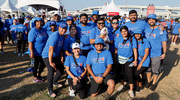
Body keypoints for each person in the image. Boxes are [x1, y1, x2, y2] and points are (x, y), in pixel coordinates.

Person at [42, 22, 67, 97]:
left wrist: (62, 56)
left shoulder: (62, 36)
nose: (64, 30)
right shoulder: (55, 36)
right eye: (62, 28)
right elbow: (50, 50)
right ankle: (50, 90)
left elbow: (61, 48)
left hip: (56, 55)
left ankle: (54, 81)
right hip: (47, 55)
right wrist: (50, 62)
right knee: (51, 70)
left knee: (61, 69)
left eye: (65, 29)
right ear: (59, 27)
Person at [144, 14, 167, 91]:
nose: (151, 21)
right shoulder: (146, 30)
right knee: (148, 69)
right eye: (150, 19)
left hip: (156, 54)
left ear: (156, 21)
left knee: (155, 70)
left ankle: (154, 83)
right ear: (147, 21)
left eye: (153, 19)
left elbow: (164, 42)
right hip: (147, 54)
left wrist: (164, 53)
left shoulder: (161, 30)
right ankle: (148, 81)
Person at [114, 26, 138, 97]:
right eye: (122, 32)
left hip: (129, 59)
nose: (124, 33)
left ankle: (131, 90)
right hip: (119, 59)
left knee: (130, 75)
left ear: (127, 31)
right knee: (121, 73)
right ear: (120, 32)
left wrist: (135, 60)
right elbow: (116, 49)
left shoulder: (132, 39)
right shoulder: (118, 39)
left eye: (125, 31)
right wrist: (115, 58)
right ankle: (122, 84)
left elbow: (135, 50)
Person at [28, 18, 48, 83]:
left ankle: (39, 75)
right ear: (35, 23)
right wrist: (31, 52)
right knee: (35, 65)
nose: (39, 23)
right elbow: (30, 42)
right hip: (35, 52)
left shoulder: (43, 30)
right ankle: (35, 77)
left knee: (43, 64)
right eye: (37, 22)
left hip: (43, 52)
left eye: (41, 22)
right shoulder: (33, 31)